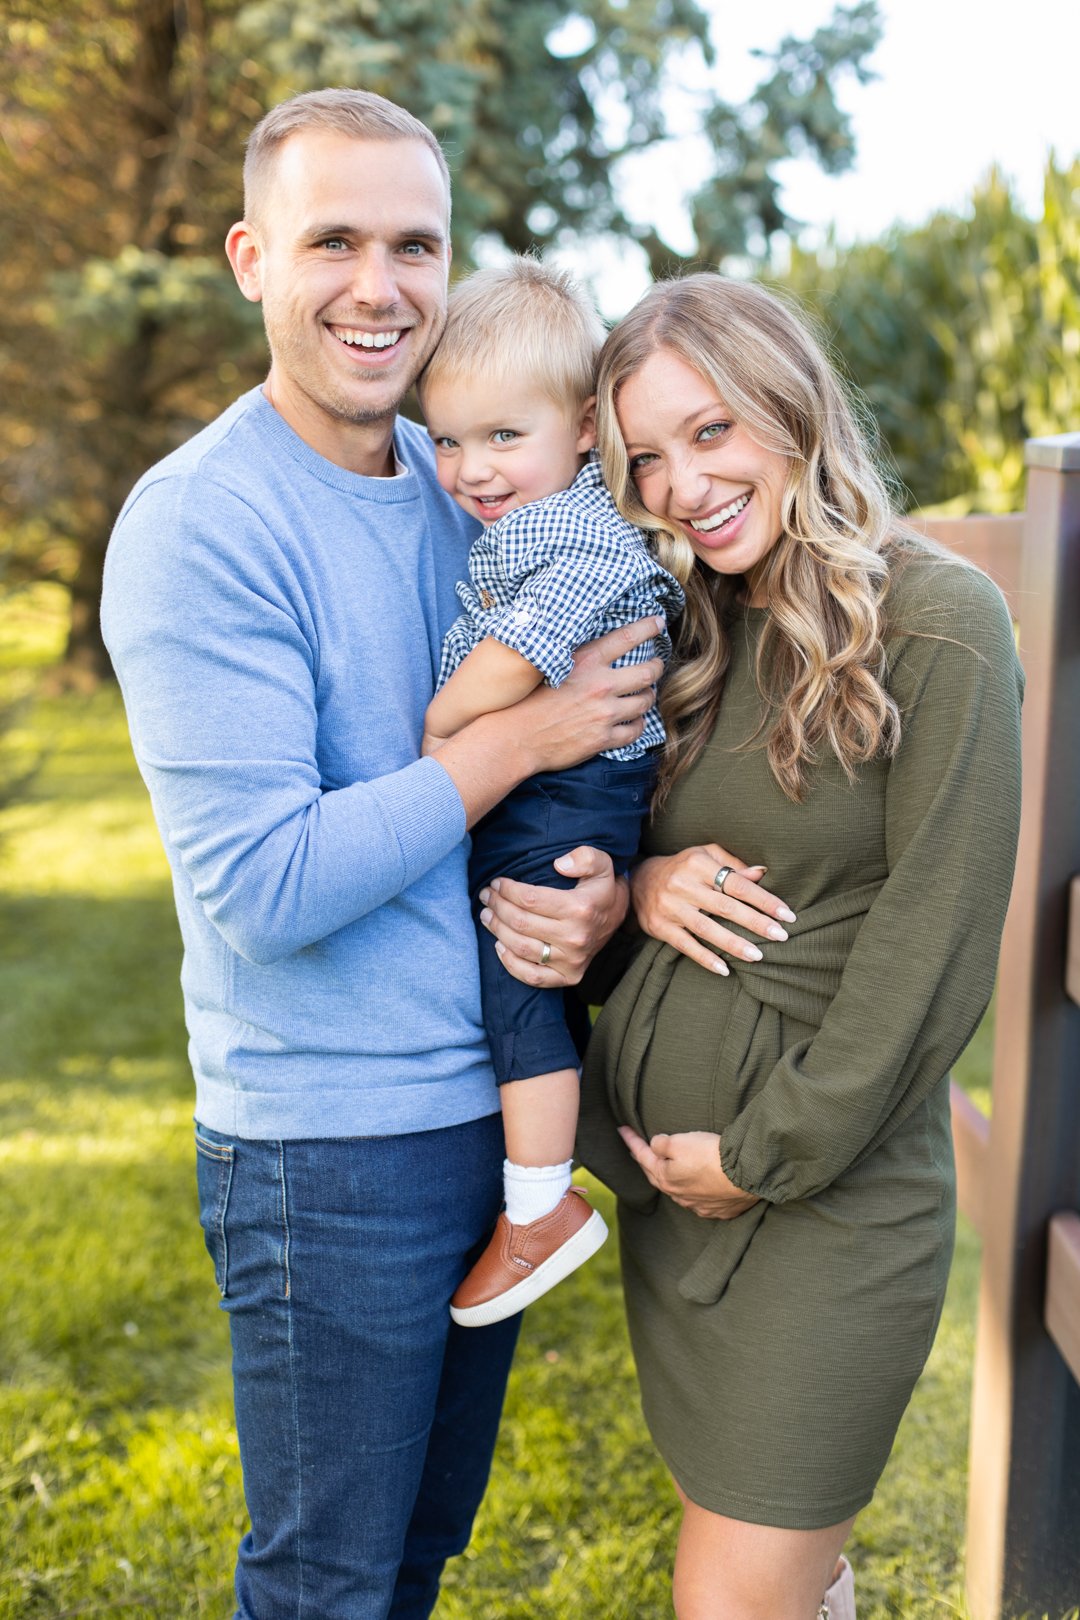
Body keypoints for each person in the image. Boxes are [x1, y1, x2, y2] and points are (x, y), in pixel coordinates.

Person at [100, 88, 667, 1620]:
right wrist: (512, 743)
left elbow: (601, 742)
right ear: (250, 259)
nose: (380, 284)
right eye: (332, 239)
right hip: (327, 1150)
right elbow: (266, 887)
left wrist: (613, 887)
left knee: (417, 1559)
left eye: (413, 243)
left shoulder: (469, 478)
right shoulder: (198, 526)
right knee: (327, 1583)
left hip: (488, 1111)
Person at [576, 273, 1023, 1620]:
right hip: (681, 1217)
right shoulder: (696, 627)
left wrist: (768, 1155)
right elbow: (610, 845)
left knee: (729, 1600)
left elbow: (936, 939)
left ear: (792, 407)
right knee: (774, 1575)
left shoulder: (939, 623)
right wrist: (646, 882)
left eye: (710, 432)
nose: (680, 483)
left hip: (825, 1207)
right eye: (644, 456)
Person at [415, 257, 685, 1327]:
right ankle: (543, 1184)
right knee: (529, 970)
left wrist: (441, 728)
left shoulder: (565, 530)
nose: (471, 469)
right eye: (446, 439)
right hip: (571, 783)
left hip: (572, 791)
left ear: (582, 428)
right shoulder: (537, 516)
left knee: (522, 976)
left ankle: (541, 1209)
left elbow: (515, 662)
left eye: (500, 437)